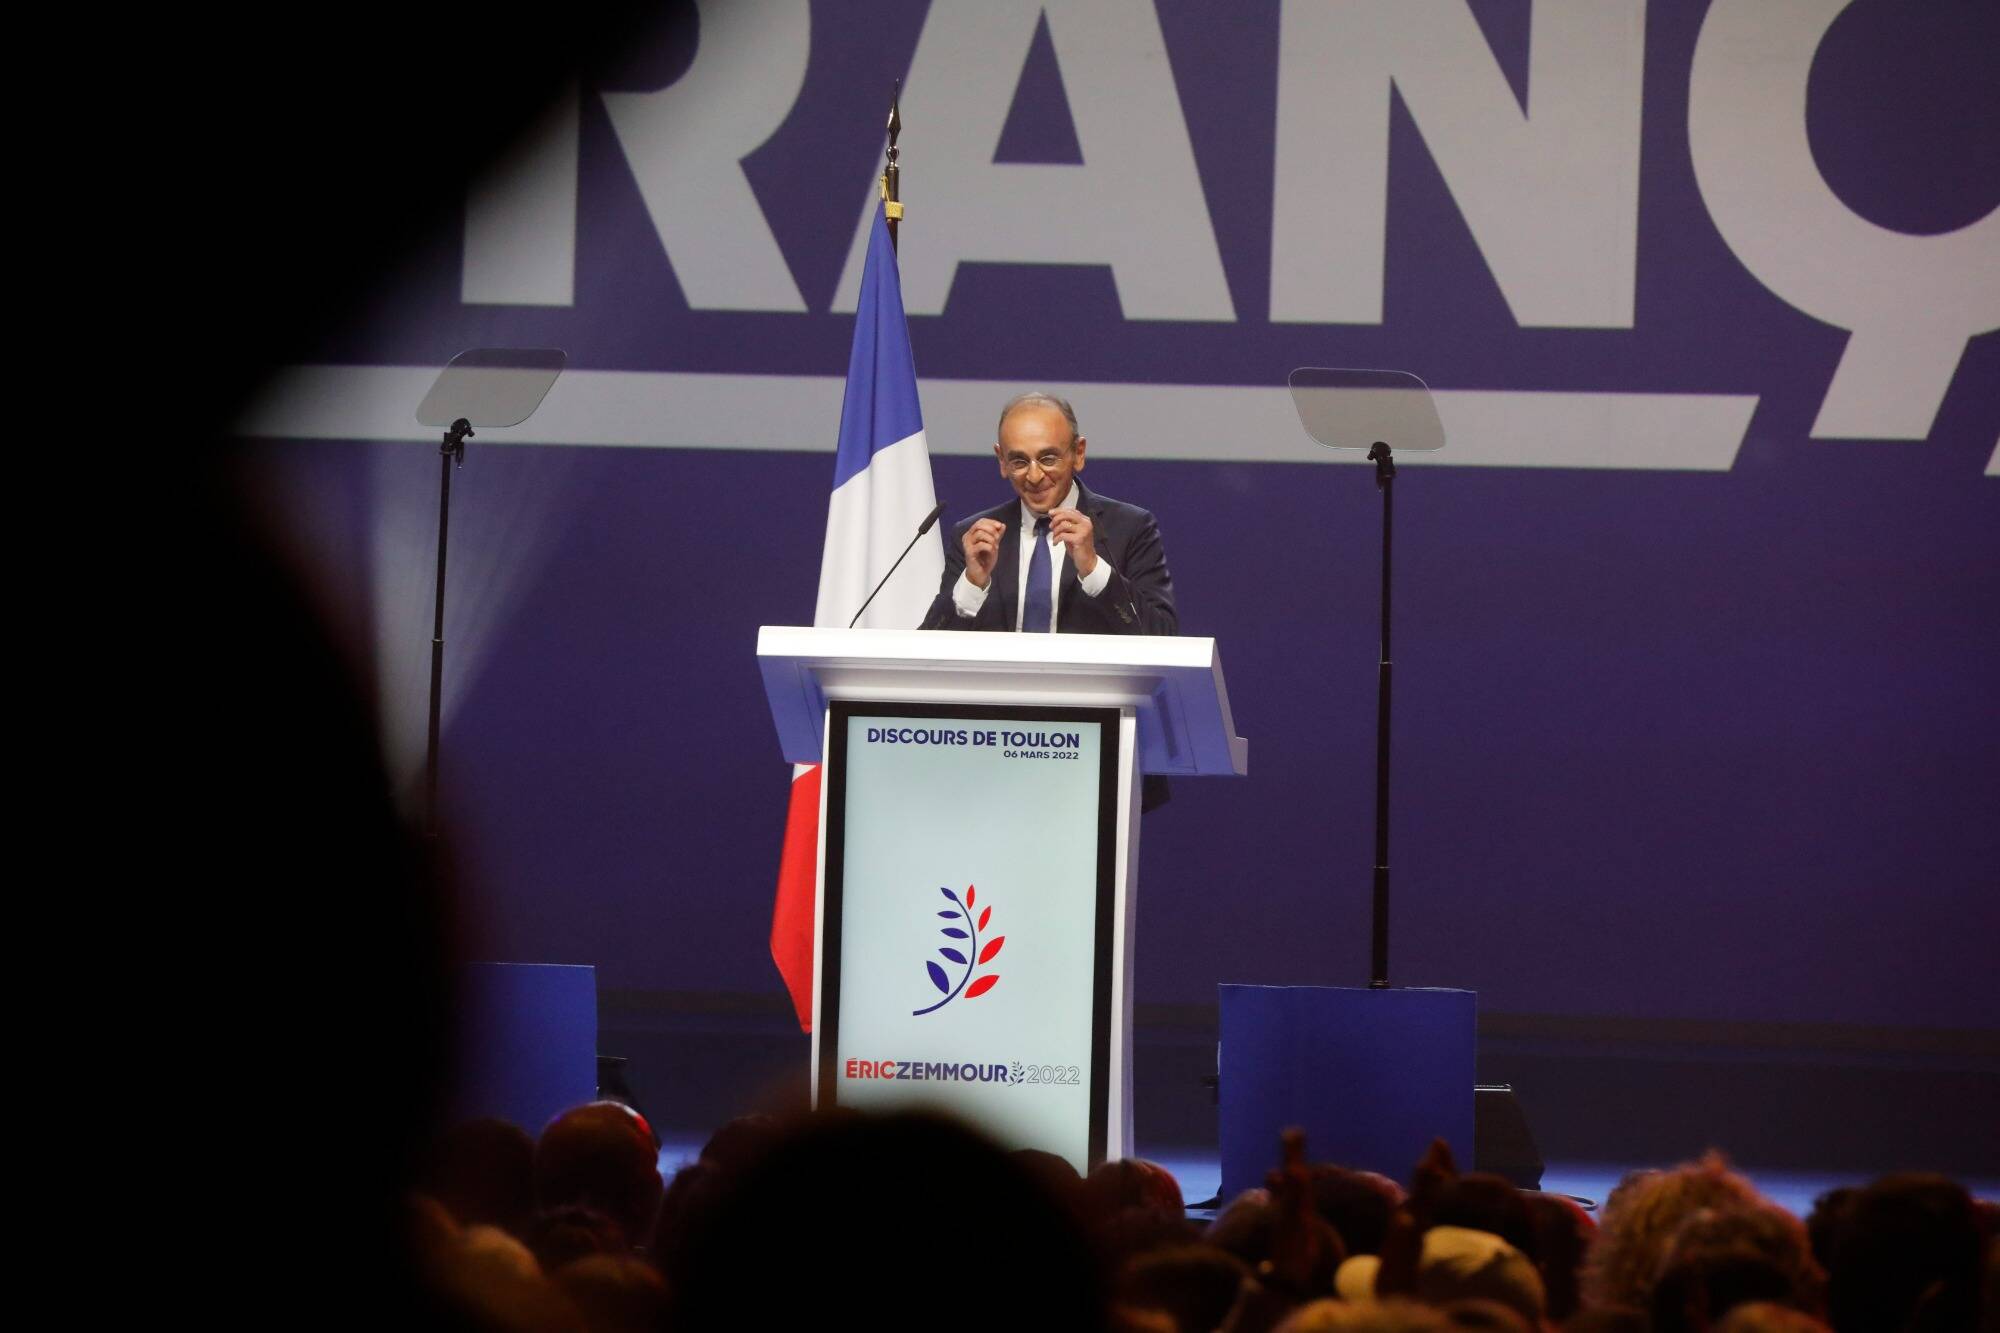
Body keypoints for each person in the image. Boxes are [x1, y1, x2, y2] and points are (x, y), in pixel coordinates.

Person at [920, 392, 1177, 635]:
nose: (1034, 476)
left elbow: (1162, 636)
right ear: (1002, 461)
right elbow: (927, 649)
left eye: (1048, 459)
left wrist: (1093, 568)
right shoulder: (974, 539)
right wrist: (972, 584)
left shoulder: (1130, 528)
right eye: (1019, 462)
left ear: (1078, 453)